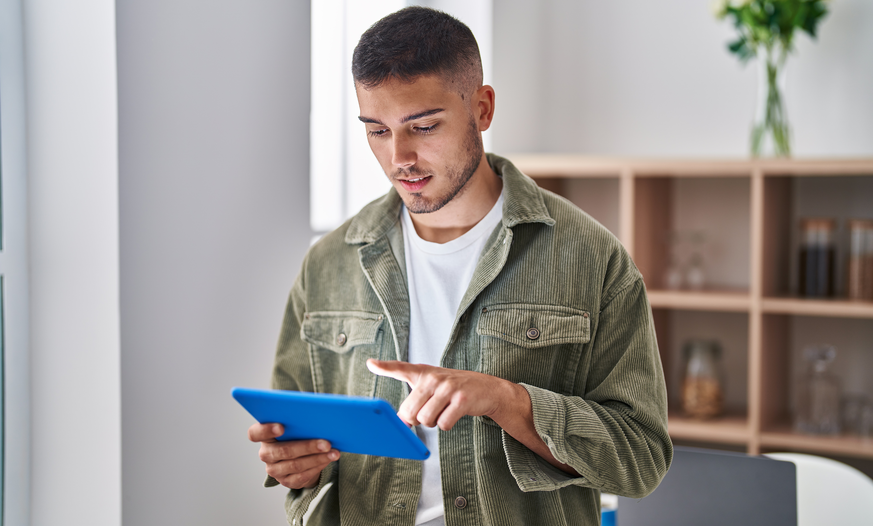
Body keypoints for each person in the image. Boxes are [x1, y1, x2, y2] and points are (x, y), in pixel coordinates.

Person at [248, 6, 672, 526]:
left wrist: (506, 400)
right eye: (377, 130)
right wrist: (293, 464)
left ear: (483, 109)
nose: (399, 156)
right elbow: (295, 440)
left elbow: (642, 459)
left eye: (423, 126)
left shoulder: (592, 259)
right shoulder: (329, 265)